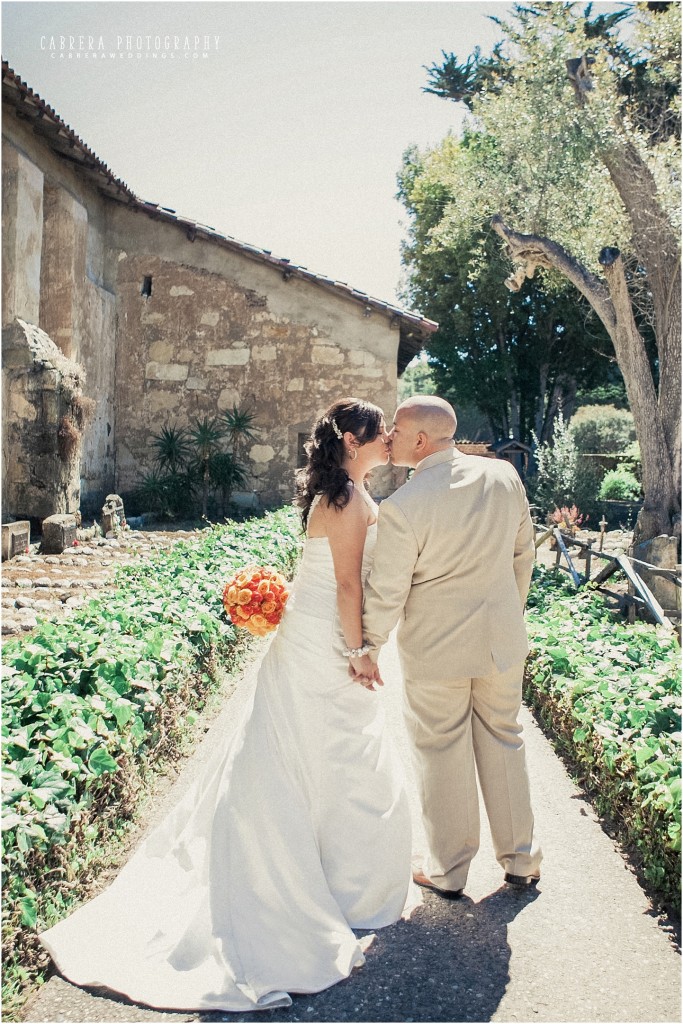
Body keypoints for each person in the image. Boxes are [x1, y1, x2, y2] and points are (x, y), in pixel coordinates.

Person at [40, 398, 414, 1013]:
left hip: (311, 629)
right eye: (381, 434)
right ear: (353, 439)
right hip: (327, 640)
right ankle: (320, 887)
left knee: (314, 752)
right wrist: (359, 650)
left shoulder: (341, 492)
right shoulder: (346, 499)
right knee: (335, 752)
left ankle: (333, 876)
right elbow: (347, 583)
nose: (390, 440)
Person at [359, 395, 542, 898]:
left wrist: (368, 644)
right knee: (506, 739)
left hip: (436, 652)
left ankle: (448, 870)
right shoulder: (505, 477)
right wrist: (506, 610)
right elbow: (522, 555)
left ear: (420, 440)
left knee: (442, 751)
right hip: (501, 642)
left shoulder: (404, 507)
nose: (388, 436)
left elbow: (389, 589)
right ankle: (522, 860)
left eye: (395, 428)